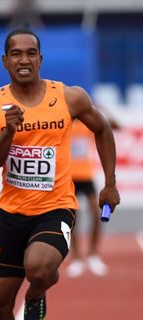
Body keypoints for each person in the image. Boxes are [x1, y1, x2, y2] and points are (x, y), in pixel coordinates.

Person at [0, 29, 120, 320]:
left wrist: (110, 183)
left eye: (30, 53)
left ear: (40, 59)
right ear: (5, 61)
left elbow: (103, 129)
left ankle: (36, 295)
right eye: (16, 54)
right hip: (11, 214)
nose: (23, 59)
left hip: (55, 209)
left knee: (39, 269)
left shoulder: (69, 97)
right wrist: (9, 134)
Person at [64, 116, 119, 278]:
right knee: (73, 217)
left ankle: (93, 254)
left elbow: (114, 126)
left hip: (86, 175)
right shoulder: (64, 124)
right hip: (69, 177)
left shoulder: (86, 124)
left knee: (96, 213)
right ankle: (77, 258)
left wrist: (101, 109)